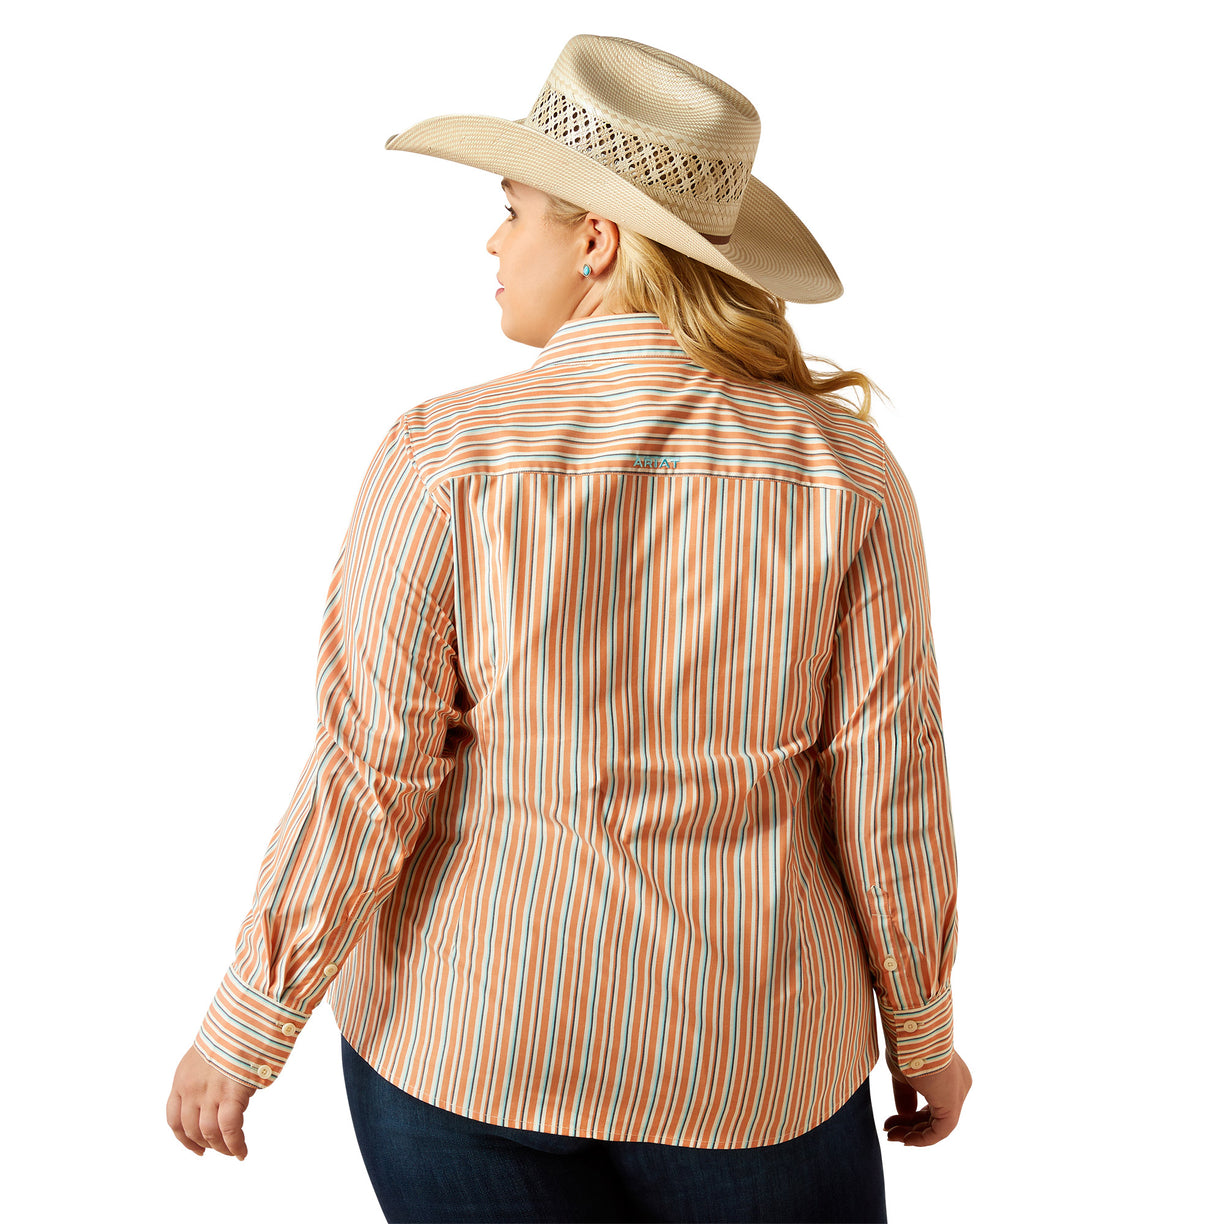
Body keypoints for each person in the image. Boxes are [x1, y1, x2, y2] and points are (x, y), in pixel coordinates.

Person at [166, 33, 971, 1224]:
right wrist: (923, 1031)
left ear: (595, 240)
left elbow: (369, 775)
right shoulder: (841, 471)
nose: (494, 244)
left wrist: (247, 1026)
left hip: (471, 1042)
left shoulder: (447, 455)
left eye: (513, 212)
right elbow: (889, 784)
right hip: (751, 1061)